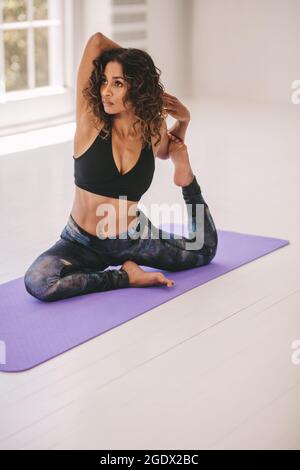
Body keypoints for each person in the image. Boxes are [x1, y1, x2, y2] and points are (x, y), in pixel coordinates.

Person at [24, 33, 218, 302]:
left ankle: (187, 180)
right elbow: (96, 42)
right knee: (38, 281)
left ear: (136, 88)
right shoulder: (90, 121)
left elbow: (166, 151)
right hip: (80, 242)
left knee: (204, 250)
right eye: (104, 81)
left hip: (134, 238)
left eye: (118, 83)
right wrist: (141, 71)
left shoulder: (152, 127)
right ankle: (126, 276)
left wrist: (184, 120)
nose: (106, 90)